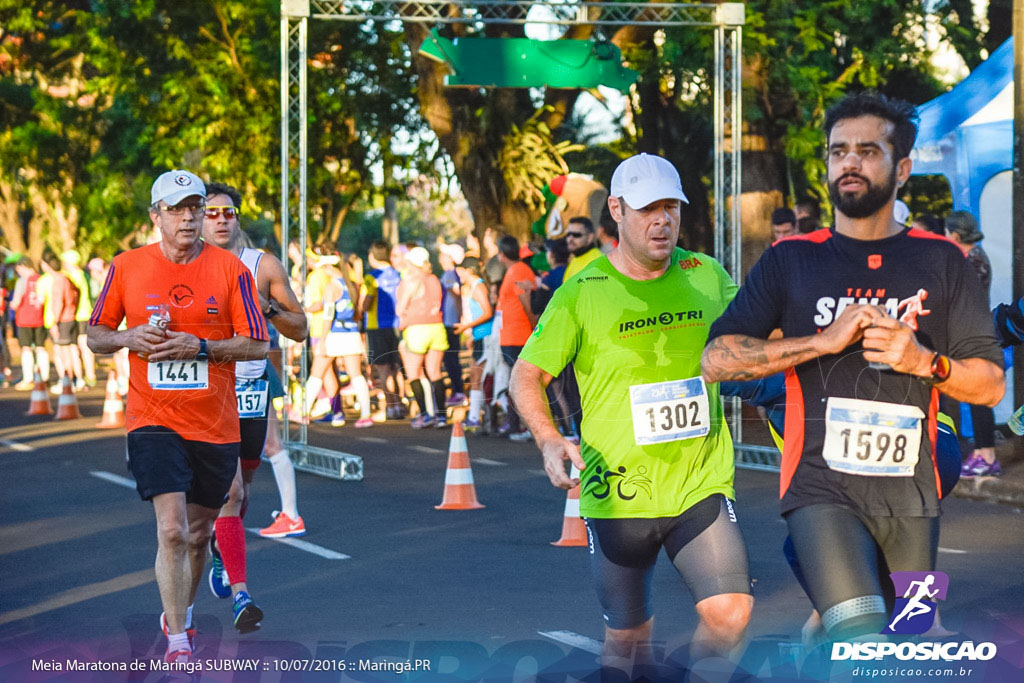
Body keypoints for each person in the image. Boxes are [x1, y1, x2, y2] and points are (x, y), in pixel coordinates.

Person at [702, 92, 1004, 644]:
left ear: (902, 168)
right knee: (861, 636)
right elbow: (716, 360)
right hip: (821, 491)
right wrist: (821, 341)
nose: (850, 162)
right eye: (838, 151)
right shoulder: (792, 258)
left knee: (912, 640)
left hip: (913, 499)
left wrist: (925, 361)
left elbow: (989, 385)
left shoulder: (943, 261)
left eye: (868, 150)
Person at [511, 153, 752, 678]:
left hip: (698, 482)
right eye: (648, 209)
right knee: (629, 642)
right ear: (617, 210)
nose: (662, 220)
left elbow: (754, 340)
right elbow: (525, 375)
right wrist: (550, 440)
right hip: (619, 491)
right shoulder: (581, 292)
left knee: (730, 614)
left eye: (671, 207)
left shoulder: (706, 275)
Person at [87, 170, 269, 664]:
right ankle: (178, 645)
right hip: (153, 418)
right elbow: (96, 334)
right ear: (156, 216)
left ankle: (178, 618)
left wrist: (203, 346)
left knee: (197, 534)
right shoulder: (127, 267)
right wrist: (129, 338)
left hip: (213, 422)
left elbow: (258, 342)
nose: (188, 217)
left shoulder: (231, 270)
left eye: (194, 207)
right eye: (176, 208)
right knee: (170, 529)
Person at [199, 182, 309, 633]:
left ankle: (223, 547)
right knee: (232, 494)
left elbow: (300, 327)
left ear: (237, 216)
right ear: (198, 218)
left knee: (243, 486)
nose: (221, 219)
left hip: (252, 387)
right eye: (212, 212)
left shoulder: (262, 265)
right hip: (207, 392)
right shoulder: (185, 266)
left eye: (228, 211)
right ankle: (242, 593)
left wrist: (270, 311)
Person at [943, 210, 1000, 477]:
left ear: (954, 234)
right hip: (969, 334)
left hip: (974, 337)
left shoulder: (973, 262)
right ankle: (980, 452)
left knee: (979, 395)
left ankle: (987, 454)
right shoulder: (972, 257)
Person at [396, 246, 448, 428]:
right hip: (437, 327)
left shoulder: (411, 280)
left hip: (416, 329)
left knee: (413, 373)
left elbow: (400, 308)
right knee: (435, 372)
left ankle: (425, 414)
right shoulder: (434, 278)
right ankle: (441, 416)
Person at [495, 236, 537, 440]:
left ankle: (524, 426)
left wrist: (534, 324)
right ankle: (515, 425)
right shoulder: (513, 270)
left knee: (522, 382)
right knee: (516, 382)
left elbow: (525, 298)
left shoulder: (519, 269)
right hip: (511, 334)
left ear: (502, 254)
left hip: (520, 334)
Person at [361, 241, 403, 420]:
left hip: (377, 326)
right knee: (397, 368)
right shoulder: (398, 274)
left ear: (373, 255)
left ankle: (390, 406)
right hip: (397, 325)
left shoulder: (371, 277)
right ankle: (400, 404)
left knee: (383, 369)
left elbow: (366, 303)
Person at [453, 256, 493, 430]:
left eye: (461, 270)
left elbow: (487, 312)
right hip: (479, 336)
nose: (459, 273)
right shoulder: (475, 286)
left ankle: (476, 417)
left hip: (486, 336)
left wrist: (466, 326)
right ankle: (475, 416)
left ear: (469, 270)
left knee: (479, 376)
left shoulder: (478, 287)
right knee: (476, 376)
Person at [11, 257, 49, 389]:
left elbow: (16, 301)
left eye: (19, 270)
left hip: (24, 319)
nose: (19, 273)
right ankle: (44, 377)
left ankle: (29, 379)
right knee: (40, 347)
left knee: (26, 348)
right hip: (40, 318)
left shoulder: (22, 281)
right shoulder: (42, 279)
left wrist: (12, 305)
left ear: (24, 266)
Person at [61, 250, 97, 388]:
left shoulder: (73, 276)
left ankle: (82, 375)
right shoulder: (84, 274)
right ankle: (90, 374)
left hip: (78, 314)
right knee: (84, 346)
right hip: (86, 312)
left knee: (78, 346)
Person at [439, 243, 467, 407]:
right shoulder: (448, 273)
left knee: (451, 358)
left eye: (444, 255)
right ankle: (458, 391)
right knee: (451, 357)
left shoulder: (450, 274)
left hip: (451, 321)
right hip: (450, 320)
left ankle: (459, 392)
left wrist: (460, 316)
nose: (441, 257)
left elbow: (456, 295)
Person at [561, 216, 602, 281]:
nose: (570, 239)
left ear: (590, 238)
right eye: (568, 234)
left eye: (576, 234)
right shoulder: (575, 259)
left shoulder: (597, 261)